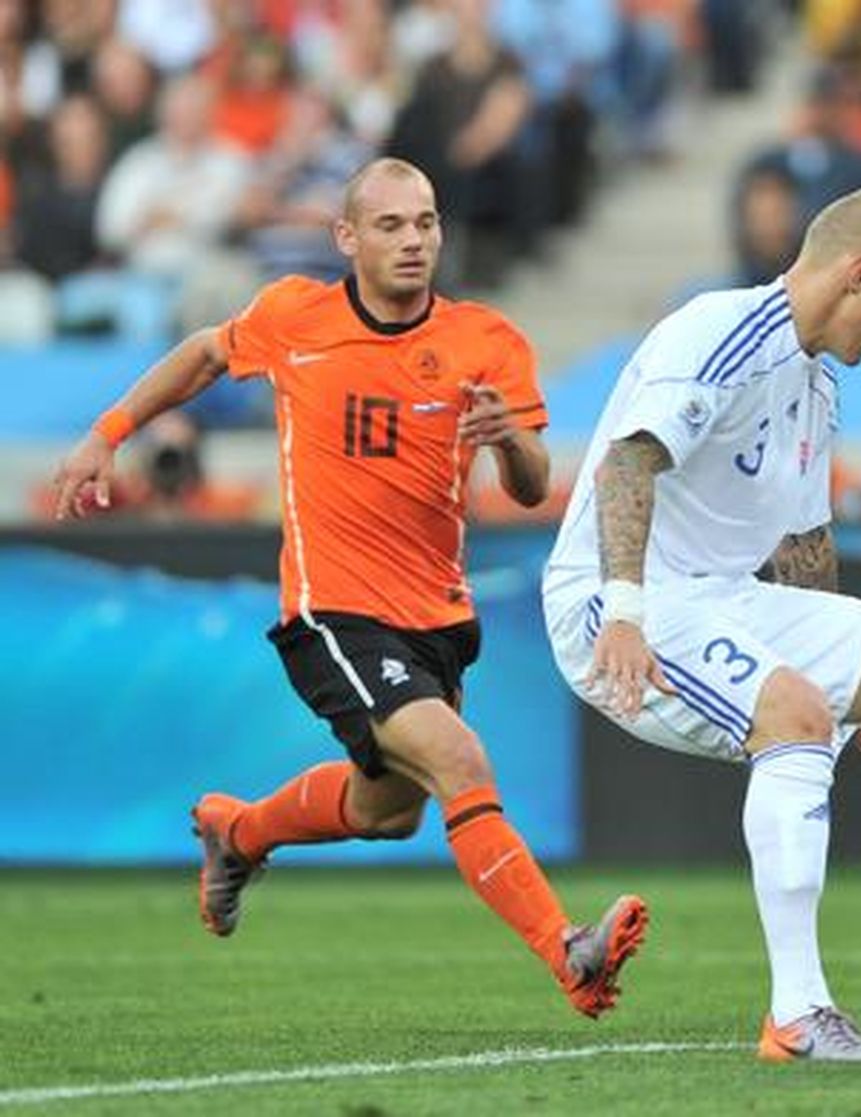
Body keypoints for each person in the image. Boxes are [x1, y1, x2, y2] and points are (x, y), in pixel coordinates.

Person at [52, 157, 647, 1021]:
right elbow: (203, 355)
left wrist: (509, 437)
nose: (414, 241)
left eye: (428, 222)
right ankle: (570, 952)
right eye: (392, 225)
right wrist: (107, 433)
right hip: (332, 612)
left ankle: (240, 833)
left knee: (386, 810)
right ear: (348, 237)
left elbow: (528, 481)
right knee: (460, 761)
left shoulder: (487, 341)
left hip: (438, 616)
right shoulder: (296, 316)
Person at [542, 187, 861, 1063]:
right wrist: (626, 613)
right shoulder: (722, 333)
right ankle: (797, 1014)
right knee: (793, 714)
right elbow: (630, 460)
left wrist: (855, 689)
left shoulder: (815, 381)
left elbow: (803, 539)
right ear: (856, 273)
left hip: (724, 597)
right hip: (616, 597)